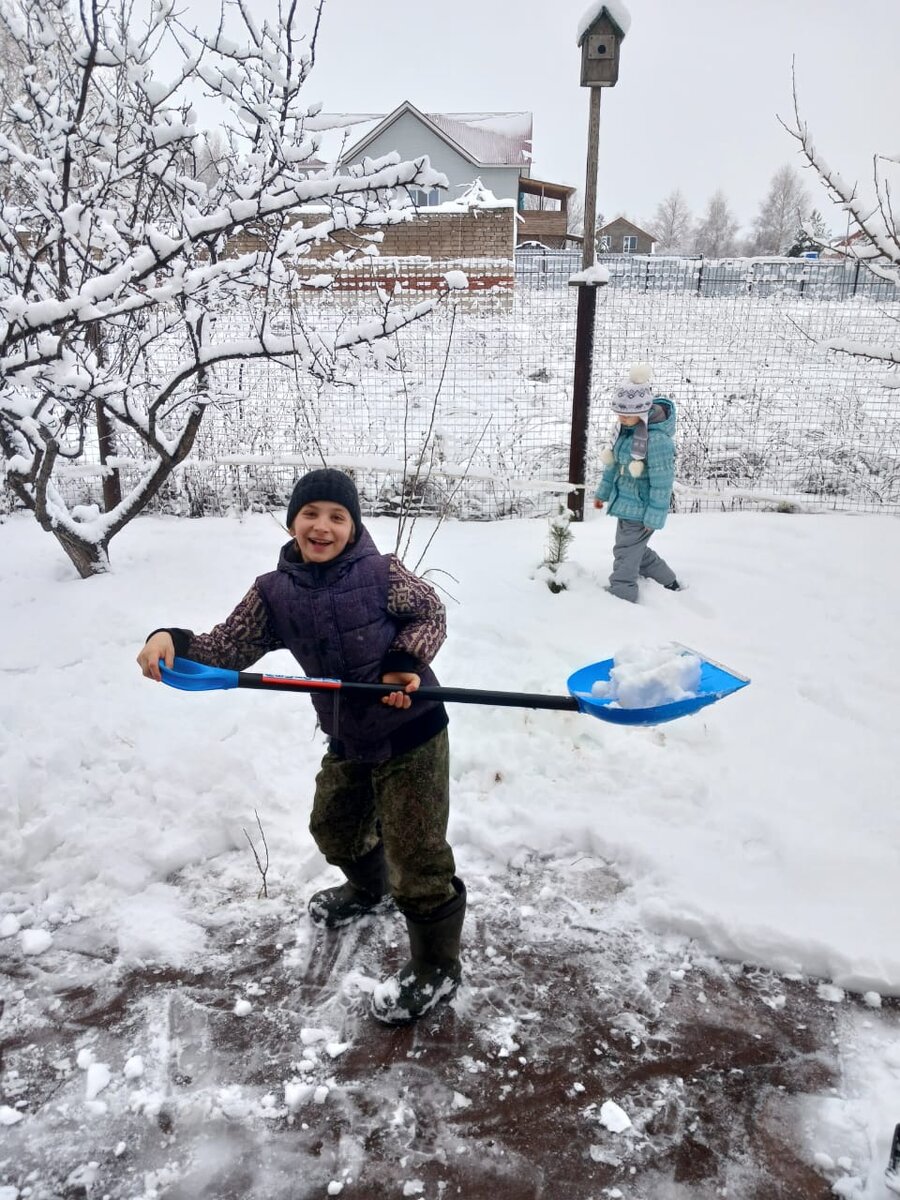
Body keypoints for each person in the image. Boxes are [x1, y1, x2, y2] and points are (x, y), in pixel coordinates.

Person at [136, 468, 465, 1026]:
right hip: (347, 734)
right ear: (292, 522)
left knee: (417, 855)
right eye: (311, 513)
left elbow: (429, 613)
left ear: (354, 526)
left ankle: (437, 965)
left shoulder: (383, 573)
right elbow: (229, 645)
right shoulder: (273, 592)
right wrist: (173, 638)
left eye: (338, 516)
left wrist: (402, 664)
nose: (323, 526)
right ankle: (369, 890)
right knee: (334, 826)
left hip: (412, 730)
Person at [593, 363, 681, 602]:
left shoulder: (657, 441)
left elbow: (662, 483)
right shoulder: (624, 431)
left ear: (642, 411)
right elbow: (614, 466)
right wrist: (602, 493)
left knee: (625, 553)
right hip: (625, 504)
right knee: (633, 550)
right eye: (618, 413)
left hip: (641, 510)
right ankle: (669, 581)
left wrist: (654, 517)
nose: (620, 418)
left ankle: (622, 596)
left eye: (626, 414)